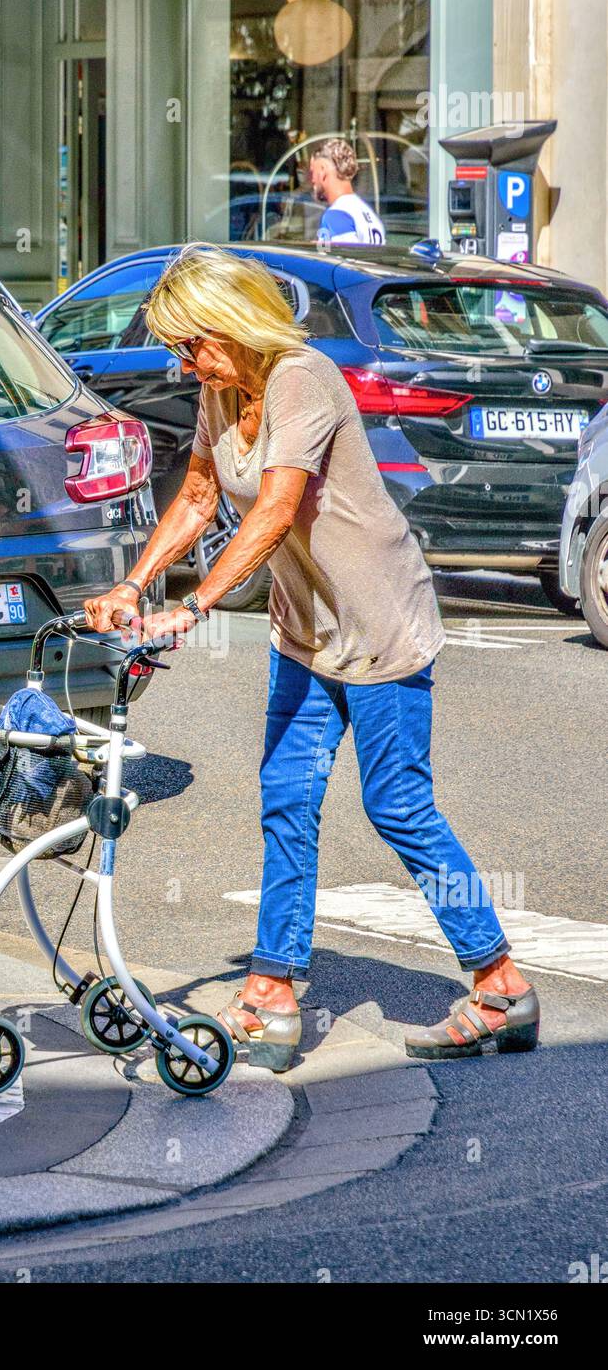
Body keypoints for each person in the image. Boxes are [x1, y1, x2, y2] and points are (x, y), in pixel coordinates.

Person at [82, 243, 539, 1073]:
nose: (186, 365)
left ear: (236, 324)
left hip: (378, 621)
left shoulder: (302, 377)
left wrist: (194, 604)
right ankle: (272, 990)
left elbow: (277, 506)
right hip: (306, 626)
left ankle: (501, 984)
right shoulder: (225, 392)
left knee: (398, 806)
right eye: (178, 350)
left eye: (194, 345)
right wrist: (135, 583)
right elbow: (197, 496)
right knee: (286, 797)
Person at [310, 138, 386, 247]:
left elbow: (341, 260)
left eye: (312, 172)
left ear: (323, 171)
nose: (312, 180)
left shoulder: (336, 215)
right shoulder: (367, 212)